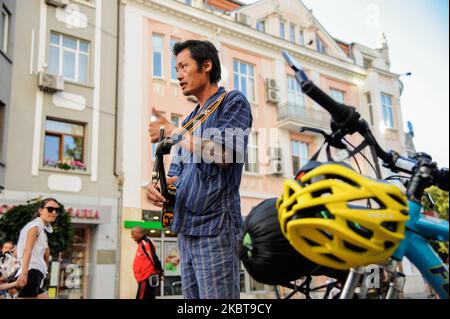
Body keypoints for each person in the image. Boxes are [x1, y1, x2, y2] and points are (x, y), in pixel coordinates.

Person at [146, 40, 252, 299]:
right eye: (176, 69)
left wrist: (173, 132)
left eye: (183, 66)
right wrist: (159, 187)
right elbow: (177, 176)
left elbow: (227, 154)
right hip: (186, 229)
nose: (178, 75)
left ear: (206, 65)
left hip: (215, 229)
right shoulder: (190, 120)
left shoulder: (232, 102)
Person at [15, 198, 60, 299]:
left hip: (35, 273)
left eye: (57, 210)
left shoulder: (40, 228)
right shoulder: (35, 226)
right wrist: (24, 274)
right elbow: (27, 250)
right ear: (40, 211)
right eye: (50, 209)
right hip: (31, 273)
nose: (54, 212)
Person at [131, 227, 163, 299]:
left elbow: (153, 257)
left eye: (132, 234)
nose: (131, 237)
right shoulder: (142, 243)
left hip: (146, 278)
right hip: (144, 278)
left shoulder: (145, 242)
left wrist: (160, 270)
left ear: (138, 233)